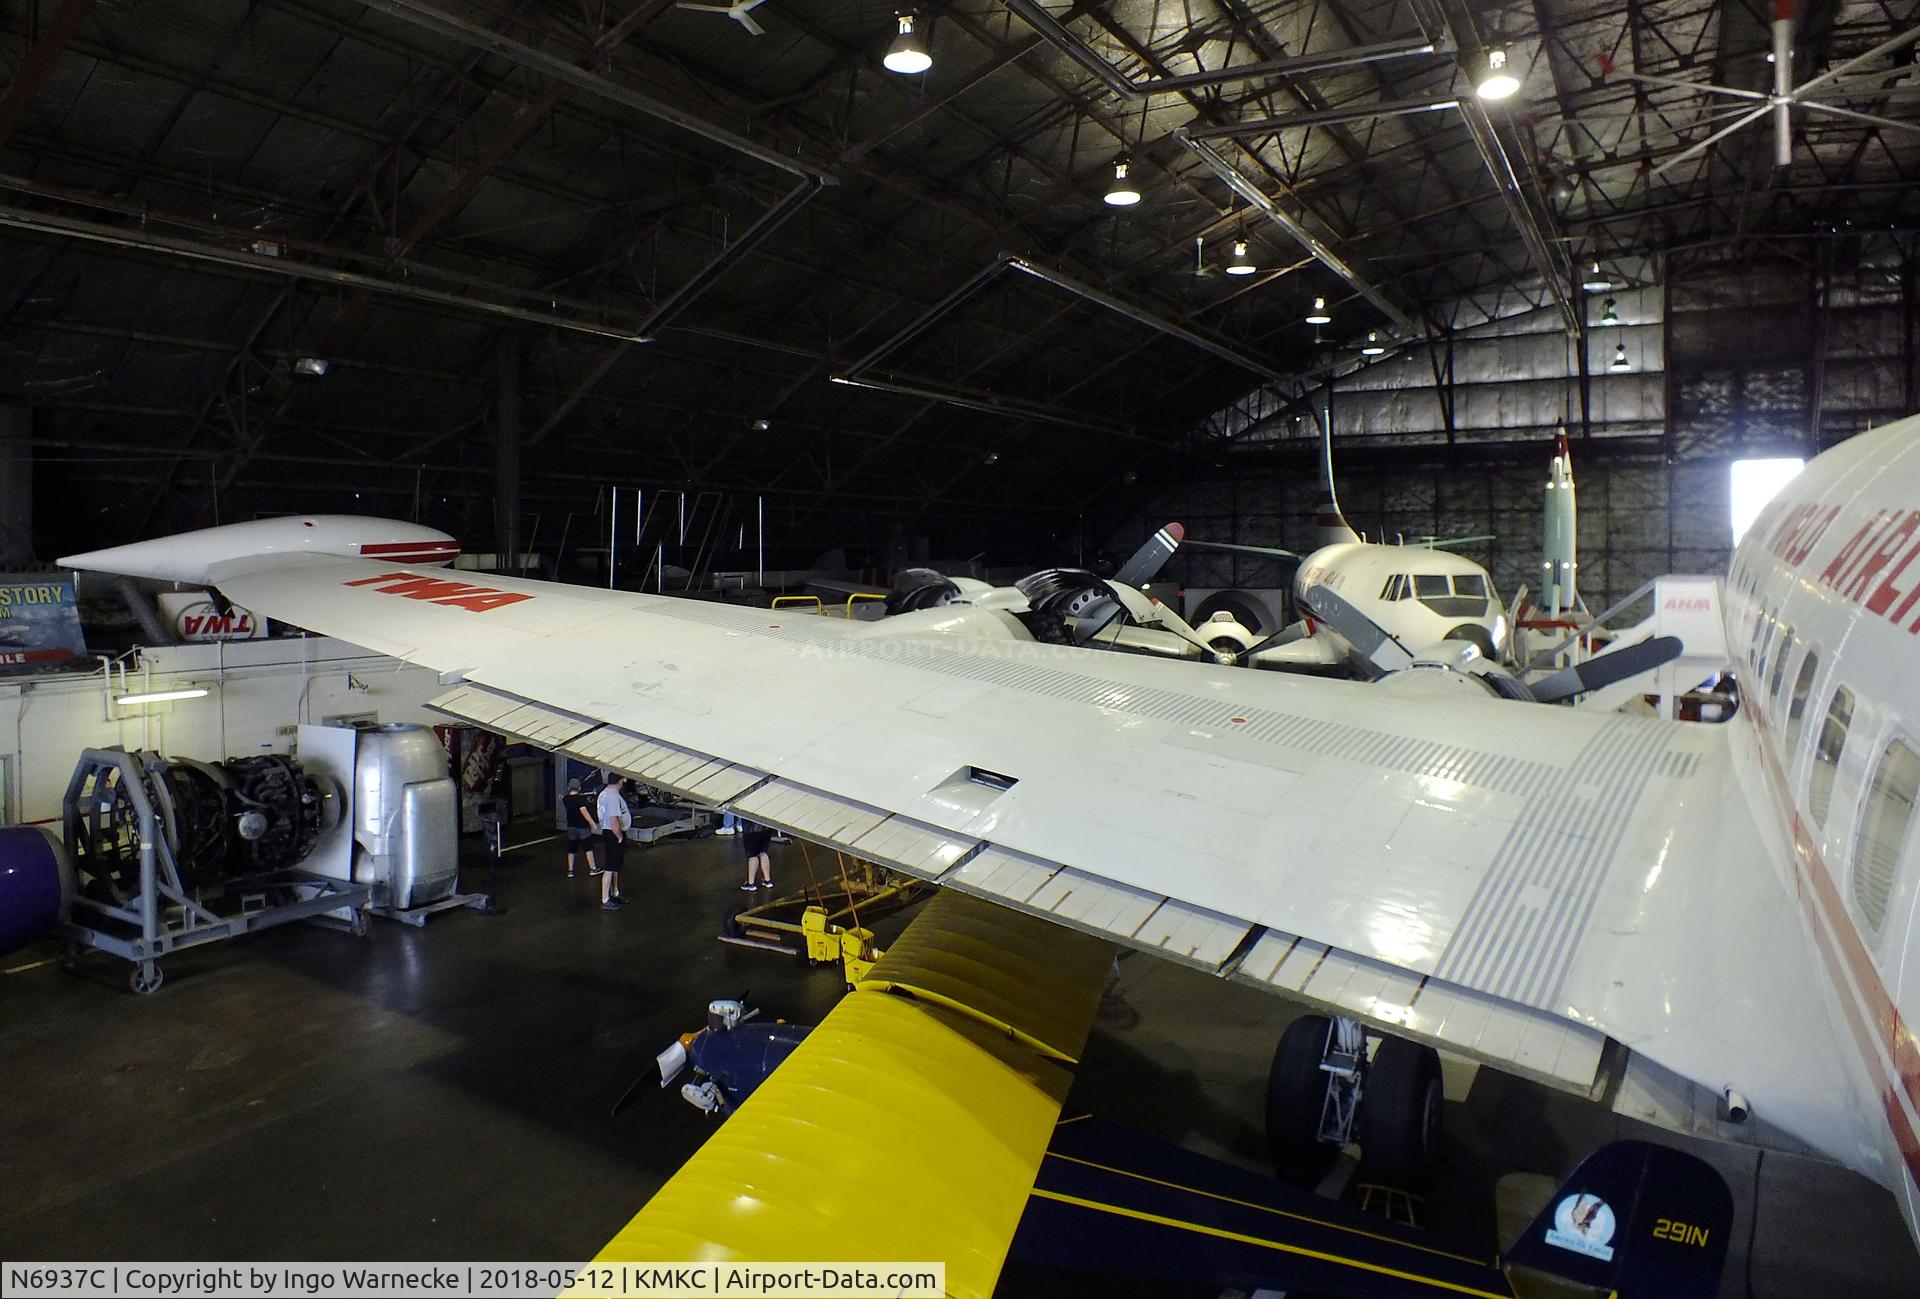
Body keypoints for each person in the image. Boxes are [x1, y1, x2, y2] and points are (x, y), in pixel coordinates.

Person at [594, 774, 631, 910]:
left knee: (614, 865)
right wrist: (619, 836)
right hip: (613, 833)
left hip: (608, 831)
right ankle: (605, 899)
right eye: (623, 780)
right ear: (619, 781)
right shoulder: (613, 796)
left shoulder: (604, 794)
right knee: (610, 867)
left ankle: (615, 893)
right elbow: (613, 819)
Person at [561, 778, 598, 878]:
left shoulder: (566, 799)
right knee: (588, 848)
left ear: (569, 787)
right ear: (579, 788)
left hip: (571, 827)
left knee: (571, 849)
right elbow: (584, 812)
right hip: (582, 827)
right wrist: (592, 823)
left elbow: (563, 798)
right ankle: (592, 868)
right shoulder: (580, 800)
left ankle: (570, 870)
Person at [739, 817, 774, 891]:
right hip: (767, 825)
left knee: (752, 855)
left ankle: (750, 883)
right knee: (763, 852)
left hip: (751, 828)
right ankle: (767, 880)